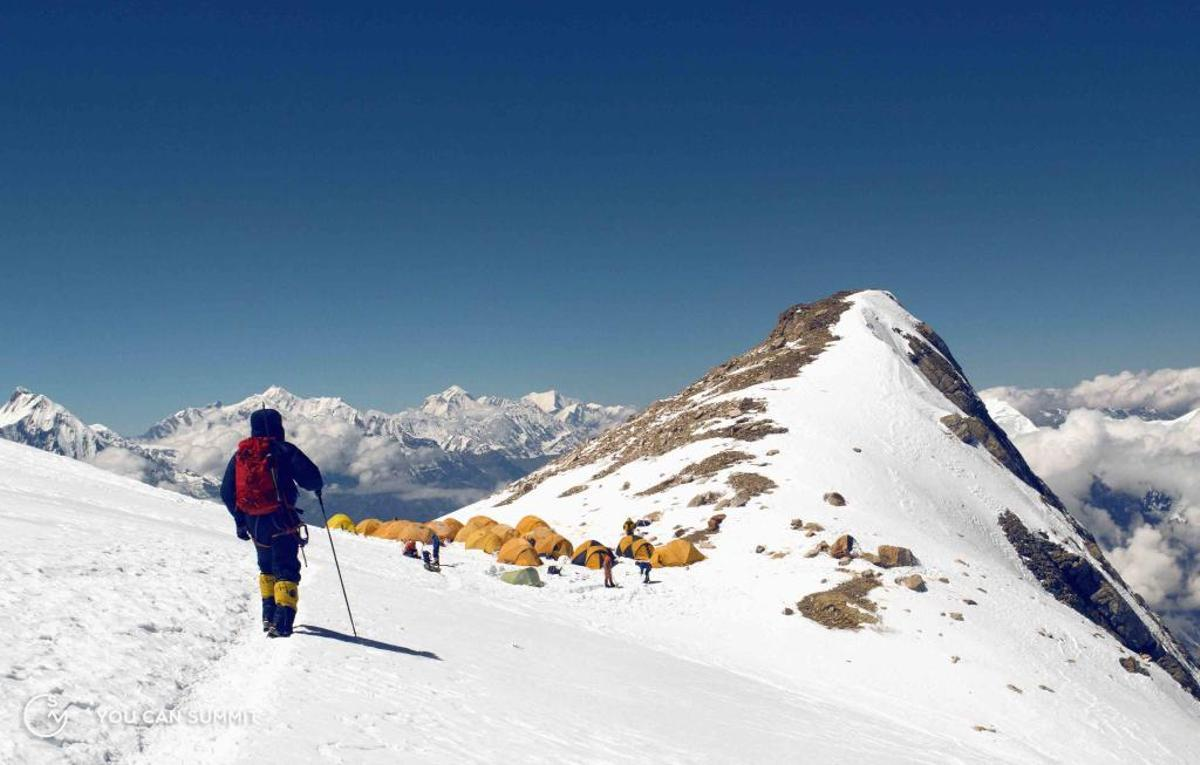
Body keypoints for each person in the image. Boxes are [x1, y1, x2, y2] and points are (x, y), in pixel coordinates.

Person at [221, 408, 323, 638]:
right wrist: (317, 488)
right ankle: (282, 624)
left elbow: (227, 492)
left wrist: (240, 521)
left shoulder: (241, 455)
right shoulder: (284, 450)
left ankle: (268, 617)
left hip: (253, 523)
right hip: (281, 520)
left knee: (266, 568)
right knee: (286, 568)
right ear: (279, 427)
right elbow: (312, 478)